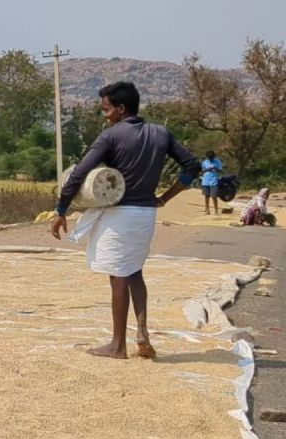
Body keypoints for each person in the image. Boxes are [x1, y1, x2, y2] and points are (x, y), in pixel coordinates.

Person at [51, 82, 202, 360]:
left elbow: (78, 173)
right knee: (134, 270)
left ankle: (117, 345)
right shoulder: (160, 133)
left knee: (118, 275)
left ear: (121, 108)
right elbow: (193, 166)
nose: (104, 115)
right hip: (146, 213)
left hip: (119, 214)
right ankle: (142, 332)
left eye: (106, 109)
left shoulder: (111, 136)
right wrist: (165, 198)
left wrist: (61, 209)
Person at [201, 150, 225, 215]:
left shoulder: (217, 161)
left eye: (211, 157)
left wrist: (215, 168)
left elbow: (221, 171)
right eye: (209, 158)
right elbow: (201, 171)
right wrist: (207, 169)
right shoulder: (204, 162)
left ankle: (216, 210)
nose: (210, 159)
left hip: (214, 181)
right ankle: (207, 210)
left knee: (214, 196)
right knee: (206, 196)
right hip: (205, 181)